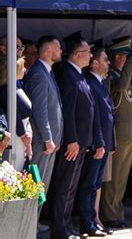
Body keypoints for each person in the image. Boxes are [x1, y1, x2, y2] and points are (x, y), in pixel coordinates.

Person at [49, 31, 95, 239]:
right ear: (77, 54)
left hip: (81, 142)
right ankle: (60, 229)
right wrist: (72, 139)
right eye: (88, 52)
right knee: (64, 187)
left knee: (71, 188)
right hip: (73, 143)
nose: (91, 56)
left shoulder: (77, 74)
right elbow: (67, 111)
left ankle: (66, 226)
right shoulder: (68, 75)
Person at [23, 35, 63, 232]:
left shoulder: (46, 71)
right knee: (37, 183)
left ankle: (34, 222)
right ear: (47, 51)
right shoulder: (39, 73)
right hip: (42, 141)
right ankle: (29, 224)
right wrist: (48, 138)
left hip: (48, 142)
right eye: (58, 48)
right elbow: (40, 110)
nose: (61, 51)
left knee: (42, 186)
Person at [76, 42, 115, 237]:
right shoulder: (90, 83)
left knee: (96, 185)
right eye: (105, 60)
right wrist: (100, 143)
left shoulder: (100, 82)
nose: (109, 63)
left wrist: (111, 143)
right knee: (89, 185)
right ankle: (87, 224)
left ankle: (93, 221)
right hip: (96, 145)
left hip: (104, 144)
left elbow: (110, 116)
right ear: (95, 64)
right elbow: (96, 118)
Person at [100, 36, 132, 229]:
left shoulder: (125, 75)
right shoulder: (114, 75)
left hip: (128, 134)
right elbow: (121, 86)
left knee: (121, 178)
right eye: (124, 56)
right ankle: (109, 213)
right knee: (113, 178)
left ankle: (116, 210)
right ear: (116, 57)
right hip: (118, 134)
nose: (127, 60)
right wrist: (130, 65)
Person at [0, 57, 33, 170]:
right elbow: (13, 114)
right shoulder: (6, 90)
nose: (25, 69)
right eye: (22, 67)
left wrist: (28, 130)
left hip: (24, 135)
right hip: (16, 135)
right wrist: (23, 135)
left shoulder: (17, 86)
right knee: (14, 167)